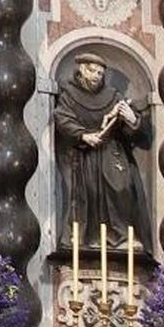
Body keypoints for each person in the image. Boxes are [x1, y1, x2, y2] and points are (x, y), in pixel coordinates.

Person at [53, 53, 152, 250]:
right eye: (92, 71)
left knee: (121, 188)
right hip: (84, 155)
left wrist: (131, 118)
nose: (97, 75)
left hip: (112, 152)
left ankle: (122, 236)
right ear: (81, 69)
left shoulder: (113, 96)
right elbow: (63, 119)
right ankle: (89, 238)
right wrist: (83, 135)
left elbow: (131, 130)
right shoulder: (69, 94)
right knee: (89, 192)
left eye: (100, 72)